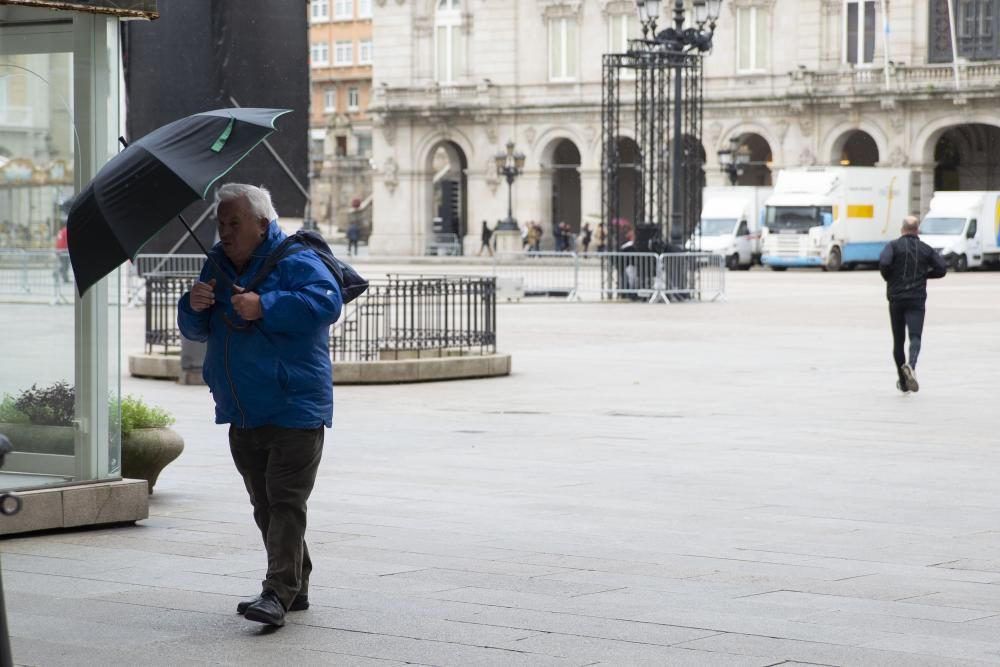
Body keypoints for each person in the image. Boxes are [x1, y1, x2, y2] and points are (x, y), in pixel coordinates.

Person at [177, 183, 343, 627]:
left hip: (293, 405)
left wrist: (264, 304)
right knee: (264, 503)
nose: (225, 232)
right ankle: (295, 582)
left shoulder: (296, 259)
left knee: (286, 500)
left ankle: (277, 591)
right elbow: (197, 330)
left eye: (234, 223)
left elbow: (326, 303)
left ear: (262, 224)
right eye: (220, 223)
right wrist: (192, 306)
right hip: (243, 407)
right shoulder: (215, 264)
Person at [878, 215, 947, 393]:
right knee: (915, 337)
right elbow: (942, 268)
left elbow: (884, 263)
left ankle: (903, 381)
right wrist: (925, 274)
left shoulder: (893, 246)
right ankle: (911, 366)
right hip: (916, 299)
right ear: (917, 230)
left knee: (898, 341)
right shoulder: (926, 249)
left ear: (902, 230)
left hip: (896, 299)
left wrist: (891, 279)